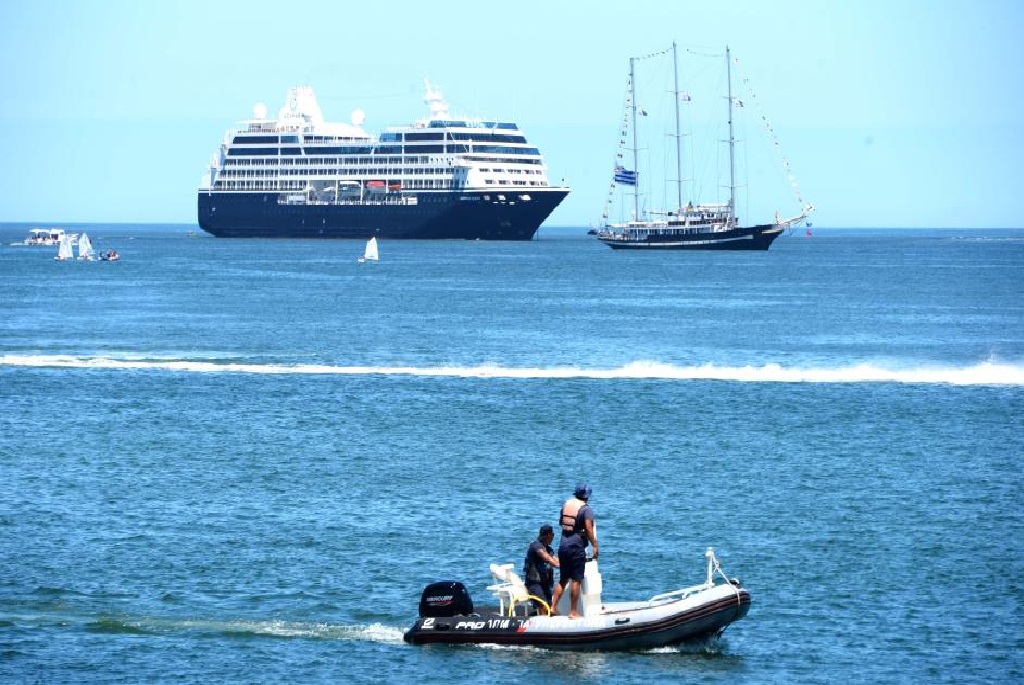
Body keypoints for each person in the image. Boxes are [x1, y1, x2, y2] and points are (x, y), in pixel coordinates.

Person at [550, 483, 598, 618]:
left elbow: (562, 523)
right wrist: (594, 545)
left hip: (563, 546)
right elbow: (589, 528)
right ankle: (573, 611)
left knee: (563, 579)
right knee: (576, 580)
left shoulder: (566, 505)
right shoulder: (586, 510)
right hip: (576, 548)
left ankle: (553, 607)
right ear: (587, 496)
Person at [522, 524, 559, 613]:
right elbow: (547, 558)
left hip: (545, 584)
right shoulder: (536, 546)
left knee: (551, 606)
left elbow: (556, 560)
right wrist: (557, 565)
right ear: (550, 535)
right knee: (544, 606)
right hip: (534, 584)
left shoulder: (549, 549)